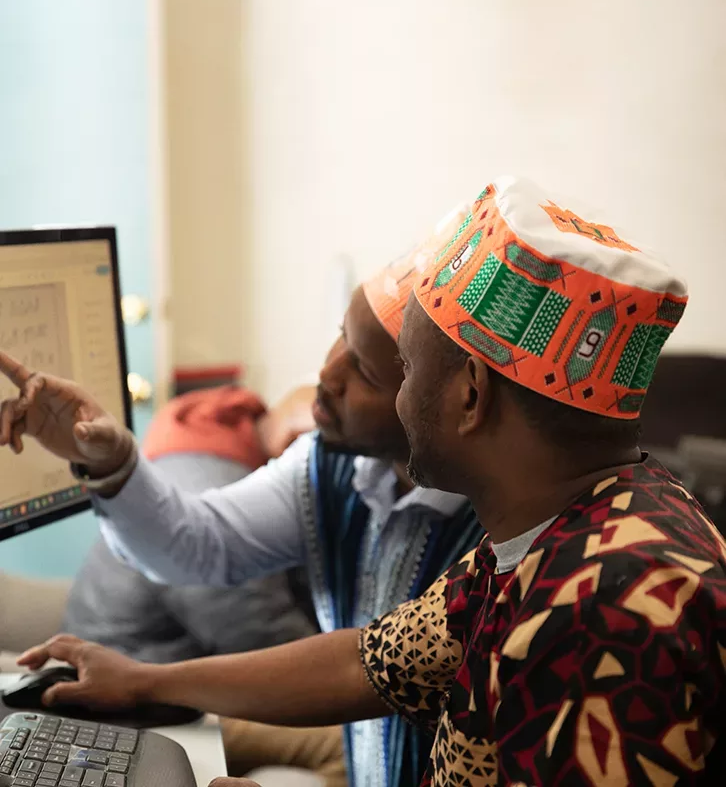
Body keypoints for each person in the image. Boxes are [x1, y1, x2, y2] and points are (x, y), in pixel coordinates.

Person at [10, 176, 726, 787]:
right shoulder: (557, 533)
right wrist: (146, 680)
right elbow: (369, 661)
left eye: (407, 370)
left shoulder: (606, 615)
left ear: (470, 396)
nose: (327, 381)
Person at [0, 206, 485, 787]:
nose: (326, 375)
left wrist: (147, 680)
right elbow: (196, 546)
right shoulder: (333, 466)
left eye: (366, 373)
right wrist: (109, 462)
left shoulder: (497, 538)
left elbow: (358, 669)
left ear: (457, 401)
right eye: (339, 339)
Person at [64, 383, 319, 664]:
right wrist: (338, 676)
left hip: (140, 648)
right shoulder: (215, 481)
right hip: (122, 666)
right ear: (296, 440)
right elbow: (249, 626)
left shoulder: (216, 434)